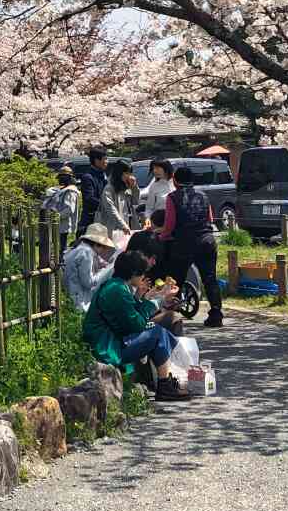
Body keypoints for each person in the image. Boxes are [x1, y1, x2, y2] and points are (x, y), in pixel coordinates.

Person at [82, 250, 192, 401]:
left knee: (157, 331)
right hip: (107, 348)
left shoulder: (116, 286)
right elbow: (137, 324)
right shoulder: (117, 290)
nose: (143, 278)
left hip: (111, 341)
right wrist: (157, 301)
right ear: (134, 273)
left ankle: (163, 382)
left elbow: (133, 315)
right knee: (157, 332)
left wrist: (150, 299)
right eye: (142, 274)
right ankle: (164, 385)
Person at [157, 164, 225, 327]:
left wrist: (162, 237)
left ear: (175, 180)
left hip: (183, 243)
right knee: (210, 279)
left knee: (175, 280)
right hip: (206, 240)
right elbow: (209, 218)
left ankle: (171, 315)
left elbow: (170, 224)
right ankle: (216, 314)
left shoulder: (173, 197)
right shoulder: (203, 196)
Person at [61, 223, 119, 312]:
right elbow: (88, 283)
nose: (103, 250)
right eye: (103, 247)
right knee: (111, 269)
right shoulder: (86, 253)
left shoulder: (80, 249)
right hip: (78, 299)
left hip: (71, 294)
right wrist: (103, 271)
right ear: (97, 244)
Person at [42, 165, 82, 255]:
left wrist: (56, 216)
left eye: (62, 177)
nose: (60, 179)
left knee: (62, 248)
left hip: (64, 225)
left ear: (68, 178)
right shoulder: (61, 190)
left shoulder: (71, 191)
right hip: (56, 224)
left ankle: (61, 265)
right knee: (53, 248)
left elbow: (69, 209)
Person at [76, 147, 113, 234]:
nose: (107, 162)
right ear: (97, 160)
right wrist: (106, 205)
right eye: (105, 159)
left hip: (104, 218)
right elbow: (89, 198)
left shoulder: (103, 175)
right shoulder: (88, 177)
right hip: (91, 220)